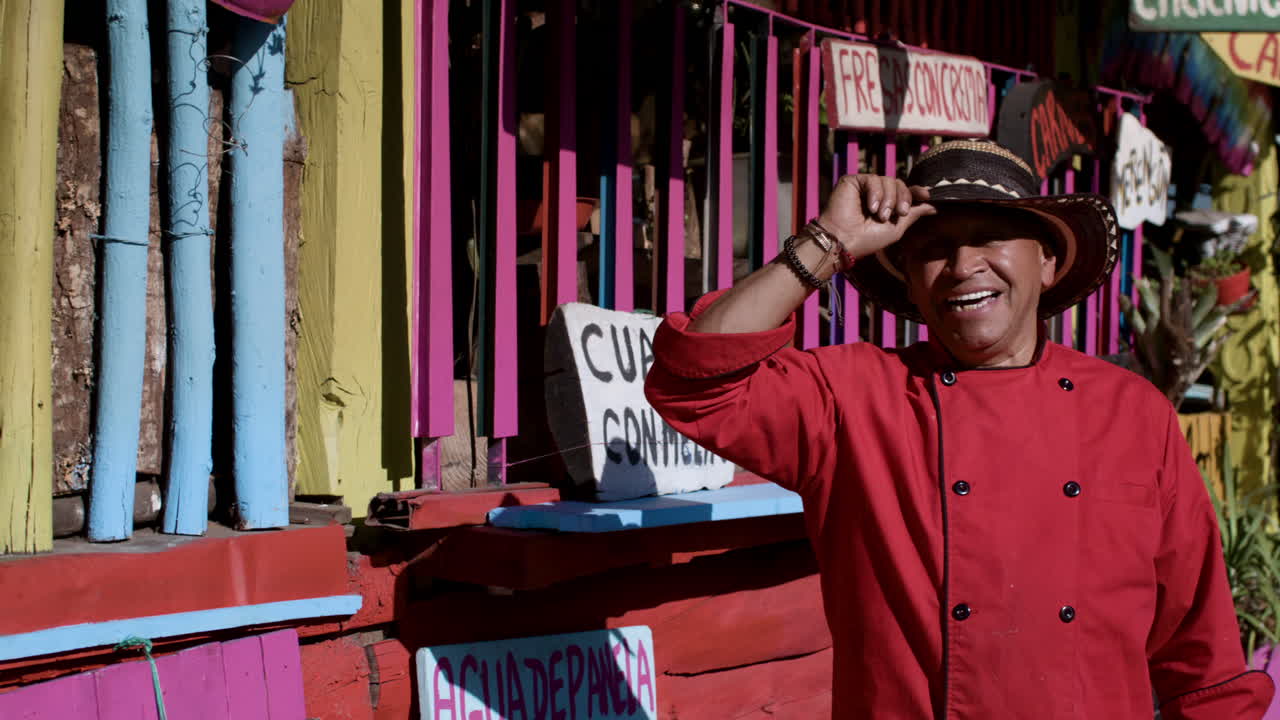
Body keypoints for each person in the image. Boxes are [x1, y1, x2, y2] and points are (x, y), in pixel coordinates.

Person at [643, 140, 1275, 719]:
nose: (962, 265)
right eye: (934, 248)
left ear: (1047, 262)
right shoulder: (853, 400)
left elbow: (1202, 664)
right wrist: (826, 242)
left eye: (990, 237)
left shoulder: (1134, 415)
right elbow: (693, 377)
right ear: (911, 284)